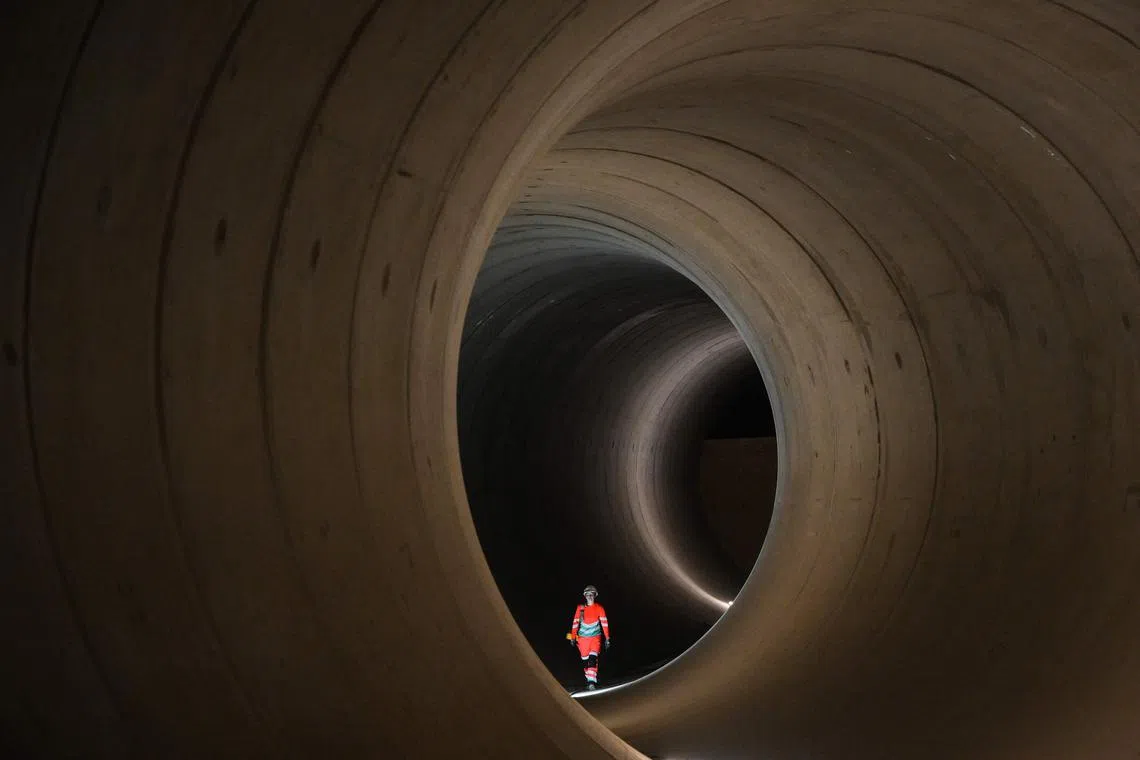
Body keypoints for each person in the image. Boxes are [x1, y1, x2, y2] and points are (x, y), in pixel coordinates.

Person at [566, 584, 611, 690]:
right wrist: (573, 637)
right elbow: (575, 623)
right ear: (585, 596)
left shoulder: (600, 608)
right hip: (582, 639)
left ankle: (591, 682)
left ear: (595, 596)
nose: (590, 596)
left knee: (592, 658)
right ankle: (589, 677)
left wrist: (607, 638)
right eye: (588, 594)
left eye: (592, 594)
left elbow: (604, 624)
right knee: (586, 661)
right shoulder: (580, 608)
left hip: (595, 638)